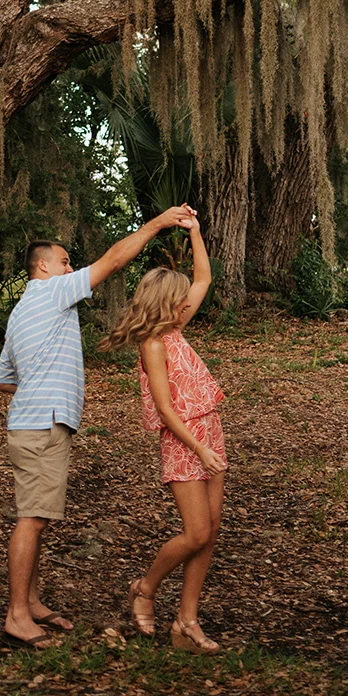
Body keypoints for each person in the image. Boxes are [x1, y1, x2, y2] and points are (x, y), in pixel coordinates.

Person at [0, 206, 197, 647]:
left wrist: (42, 388)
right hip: (42, 426)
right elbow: (115, 260)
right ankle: (16, 616)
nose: (71, 268)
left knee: (39, 516)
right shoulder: (51, 292)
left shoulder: (19, 314)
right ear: (43, 266)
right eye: (65, 261)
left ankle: (30, 602)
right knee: (32, 519)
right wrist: (159, 224)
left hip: (31, 423)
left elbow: (5, 379)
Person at [104, 215, 228, 654]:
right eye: (179, 301)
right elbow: (164, 409)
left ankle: (186, 622)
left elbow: (204, 277)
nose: (186, 305)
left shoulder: (174, 328)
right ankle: (145, 586)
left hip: (209, 429)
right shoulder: (153, 343)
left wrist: (194, 232)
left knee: (210, 531)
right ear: (164, 303)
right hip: (184, 440)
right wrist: (198, 447)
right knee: (195, 532)